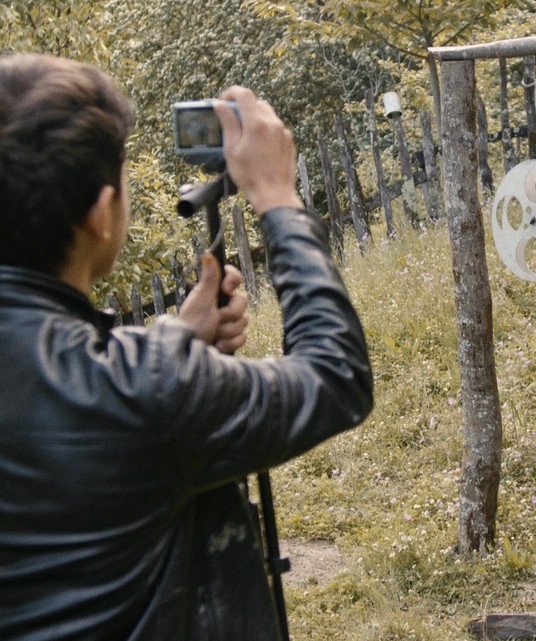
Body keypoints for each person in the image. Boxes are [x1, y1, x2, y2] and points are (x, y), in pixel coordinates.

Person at [0, 54, 374, 640]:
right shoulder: (148, 388)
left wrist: (176, 337)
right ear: (100, 215)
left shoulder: (139, 378)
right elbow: (335, 377)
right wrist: (278, 200)